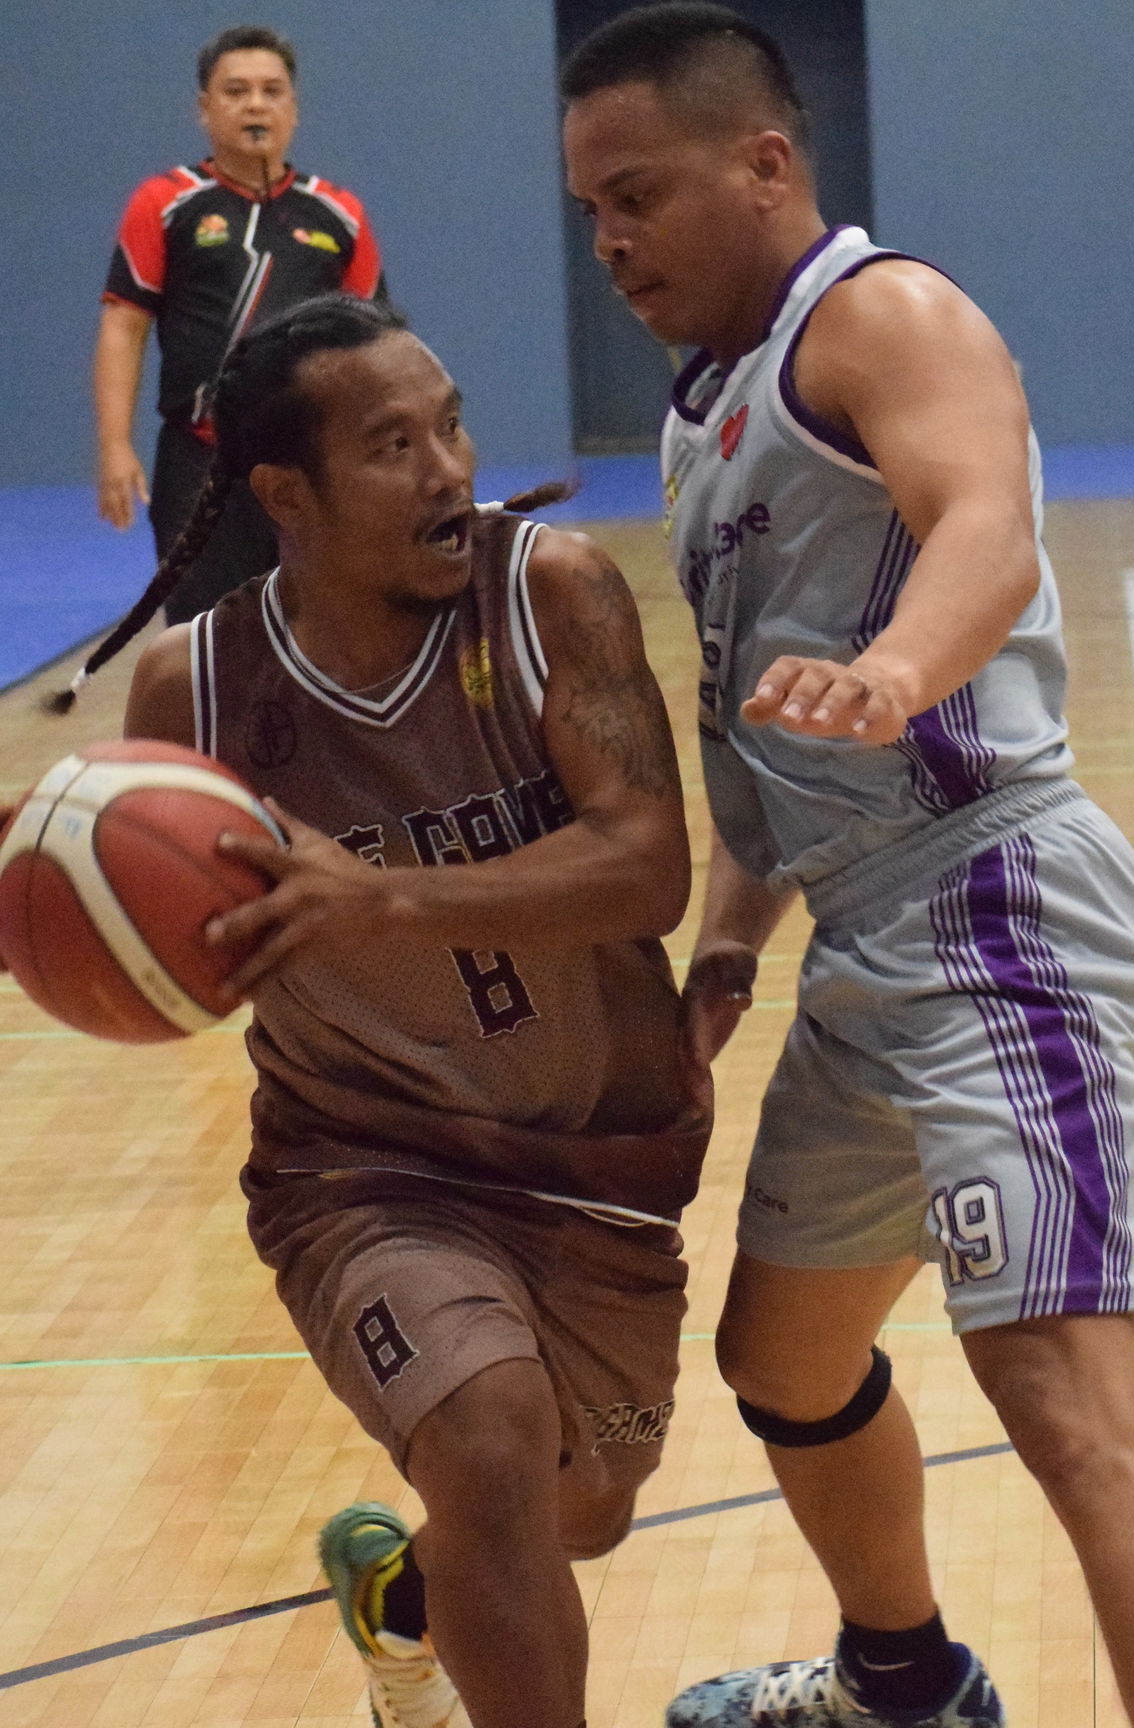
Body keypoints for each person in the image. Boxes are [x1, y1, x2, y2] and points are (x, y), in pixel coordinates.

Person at [562, 8, 1134, 1728]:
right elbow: (752, 725)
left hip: (996, 899)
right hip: (860, 940)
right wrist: (729, 935)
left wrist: (901, 669)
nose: (610, 241)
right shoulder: (702, 414)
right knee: (780, 1359)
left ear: (767, 162)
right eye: (589, 210)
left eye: (636, 193)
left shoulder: (886, 316)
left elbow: (985, 530)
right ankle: (904, 1678)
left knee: (1057, 1383)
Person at [57, 293, 709, 1728]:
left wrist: (387, 902)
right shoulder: (196, 686)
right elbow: (167, 947)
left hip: (600, 1157)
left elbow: (646, 864)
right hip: (364, 1165)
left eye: (452, 425)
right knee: (485, 1441)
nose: (449, 470)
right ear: (286, 492)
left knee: (574, 1512)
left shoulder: (552, 596)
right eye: (395, 445)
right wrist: (98, 930)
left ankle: (407, 1598)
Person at [95, 24, 387, 626]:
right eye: (236, 91)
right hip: (198, 463)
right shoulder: (164, 202)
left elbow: (375, 348)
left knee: (324, 634)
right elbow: (124, 328)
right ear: (204, 109)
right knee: (206, 644)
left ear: (294, 109)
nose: (255, 104)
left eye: (271, 91)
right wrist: (114, 445)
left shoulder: (341, 213)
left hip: (310, 461)